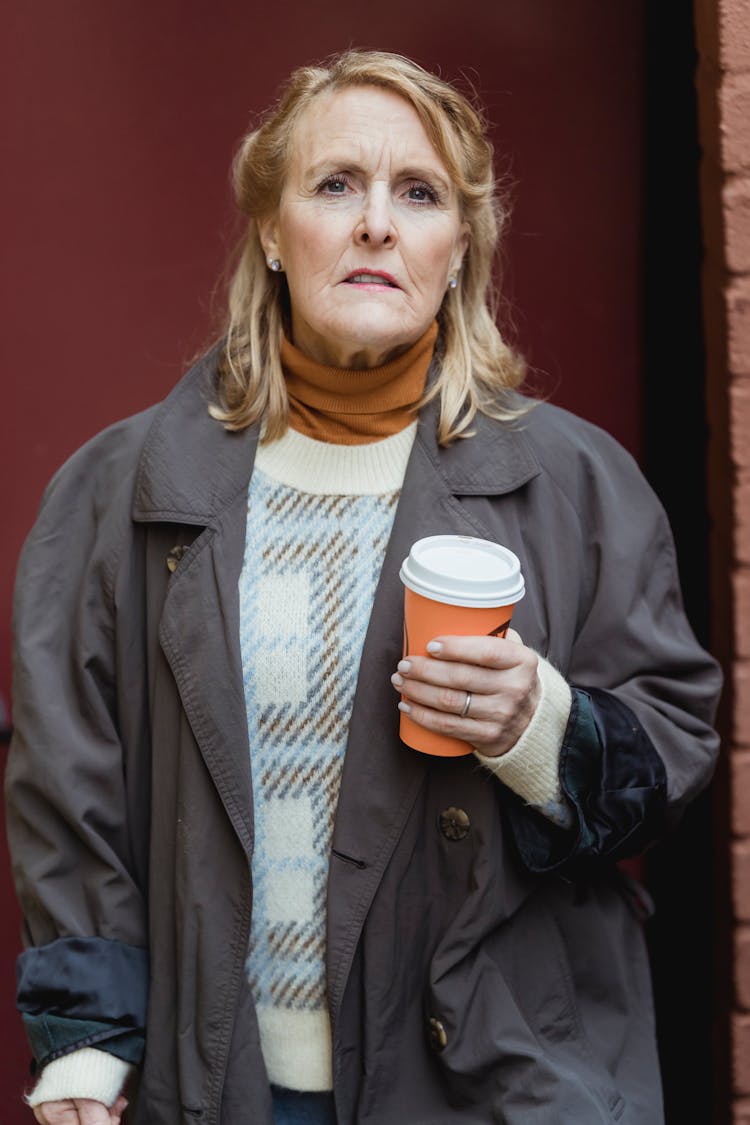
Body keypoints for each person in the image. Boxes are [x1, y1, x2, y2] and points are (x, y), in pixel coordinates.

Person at [6, 49, 721, 1125]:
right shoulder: (123, 489)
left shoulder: (580, 484)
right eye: (336, 184)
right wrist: (85, 1047)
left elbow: (674, 748)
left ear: (460, 244)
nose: (377, 223)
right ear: (271, 230)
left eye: (418, 193)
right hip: (220, 1090)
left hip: (494, 1085)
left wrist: (542, 726)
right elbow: (69, 790)